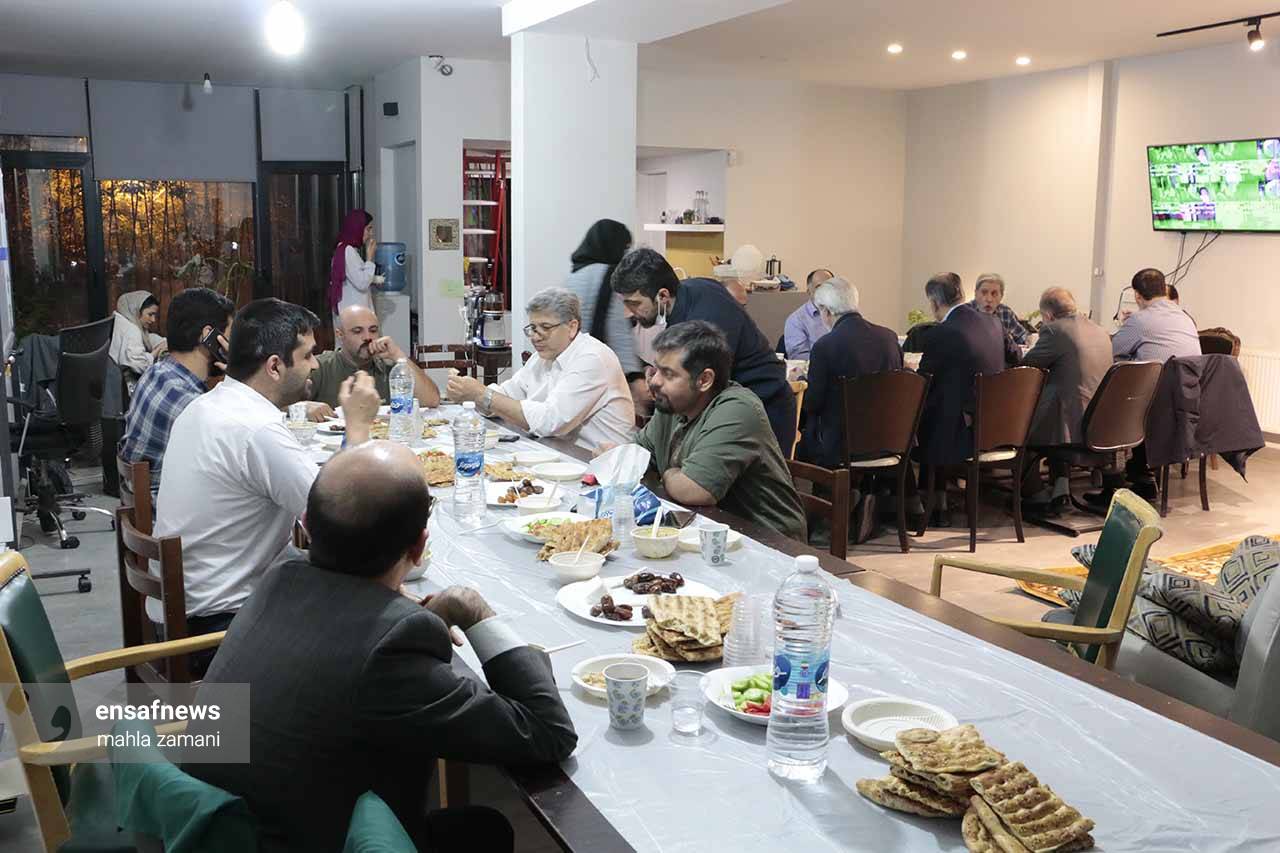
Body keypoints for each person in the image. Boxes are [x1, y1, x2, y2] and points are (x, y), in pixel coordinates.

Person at [184, 440, 576, 852]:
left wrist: (391, 604)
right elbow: (548, 733)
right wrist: (471, 607)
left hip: (212, 825)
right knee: (485, 830)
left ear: (306, 525)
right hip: (308, 841)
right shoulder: (393, 646)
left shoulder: (280, 576)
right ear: (419, 546)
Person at [155, 298, 379, 675]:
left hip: (186, 607)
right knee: (369, 618)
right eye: (307, 355)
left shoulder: (208, 405)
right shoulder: (256, 429)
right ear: (274, 366)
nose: (315, 365)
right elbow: (341, 520)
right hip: (220, 628)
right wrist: (357, 428)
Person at [626, 320, 806, 541]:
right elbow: (634, 458)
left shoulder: (737, 409)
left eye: (668, 374)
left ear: (704, 380)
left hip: (769, 542)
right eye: (655, 370)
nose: (654, 382)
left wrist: (668, 474)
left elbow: (694, 490)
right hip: (706, 529)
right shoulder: (672, 404)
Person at [611, 247, 796, 454]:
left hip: (763, 409)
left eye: (635, 304)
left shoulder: (705, 321)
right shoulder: (693, 290)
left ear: (662, 295)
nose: (630, 313)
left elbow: (696, 392)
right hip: (730, 409)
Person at [447, 288, 635, 450]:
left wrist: (482, 394)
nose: (536, 337)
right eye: (533, 328)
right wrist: (469, 393)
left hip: (598, 462)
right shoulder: (542, 357)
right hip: (557, 451)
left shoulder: (592, 358)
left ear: (572, 327)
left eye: (545, 327)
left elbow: (550, 422)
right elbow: (508, 394)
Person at [119, 287, 235, 496]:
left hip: (147, 496)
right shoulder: (191, 405)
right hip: (169, 511)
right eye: (229, 335)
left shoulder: (157, 372)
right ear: (208, 336)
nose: (231, 345)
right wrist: (240, 378)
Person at [1018, 287, 1113, 510]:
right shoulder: (1100, 330)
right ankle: (1060, 487)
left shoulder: (1054, 330)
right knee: (1056, 411)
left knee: (1022, 430)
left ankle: (1035, 494)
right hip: (1103, 425)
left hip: (1073, 429)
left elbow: (1026, 366)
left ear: (1048, 315)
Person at [796, 276, 902, 468]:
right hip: (888, 441)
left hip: (840, 446)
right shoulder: (889, 338)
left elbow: (812, 403)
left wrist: (802, 380)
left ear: (826, 311)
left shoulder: (825, 346)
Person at [915, 273, 1006, 487]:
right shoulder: (993, 323)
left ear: (934, 302)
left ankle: (922, 495)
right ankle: (931, 494)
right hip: (997, 423)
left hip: (963, 431)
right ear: (962, 294)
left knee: (920, 412)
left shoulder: (942, 332)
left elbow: (923, 383)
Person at [308, 303, 441, 411]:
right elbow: (293, 402)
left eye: (373, 330)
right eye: (357, 331)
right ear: (340, 335)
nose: (367, 337)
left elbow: (431, 401)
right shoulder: (320, 367)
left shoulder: (389, 367)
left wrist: (398, 355)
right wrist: (306, 407)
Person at [1111, 268, 1199, 363]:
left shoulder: (1139, 320)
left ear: (1137, 295)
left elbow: (1111, 351)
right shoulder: (1186, 317)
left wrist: (1131, 322)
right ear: (1164, 290)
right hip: (1190, 372)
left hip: (1159, 372)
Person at [109, 290, 168, 392]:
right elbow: (140, 365)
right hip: (122, 386)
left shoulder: (120, 320)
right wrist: (157, 351)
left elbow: (145, 337)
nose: (153, 320)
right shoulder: (132, 331)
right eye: (150, 314)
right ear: (137, 310)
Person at [328, 209, 377, 315]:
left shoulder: (346, 249)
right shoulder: (348, 251)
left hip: (352, 312)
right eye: (368, 229)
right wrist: (369, 258)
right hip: (354, 314)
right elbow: (362, 283)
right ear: (357, 228)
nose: (371, 234)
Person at [782, 268, 835, 360]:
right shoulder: (796, 320)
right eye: (819, 287)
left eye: (828, 286)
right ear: (809, 292)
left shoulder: (843, 313)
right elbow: (799, 357)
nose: (825, 291)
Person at [971, 273, 1029, 349]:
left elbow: (1021, 335)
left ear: (1001, 296)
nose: (989, 299)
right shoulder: (964, 313)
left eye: (994, 294)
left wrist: (1028, 339)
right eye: (984, 293)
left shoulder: (1005, 312)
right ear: (976, 293)